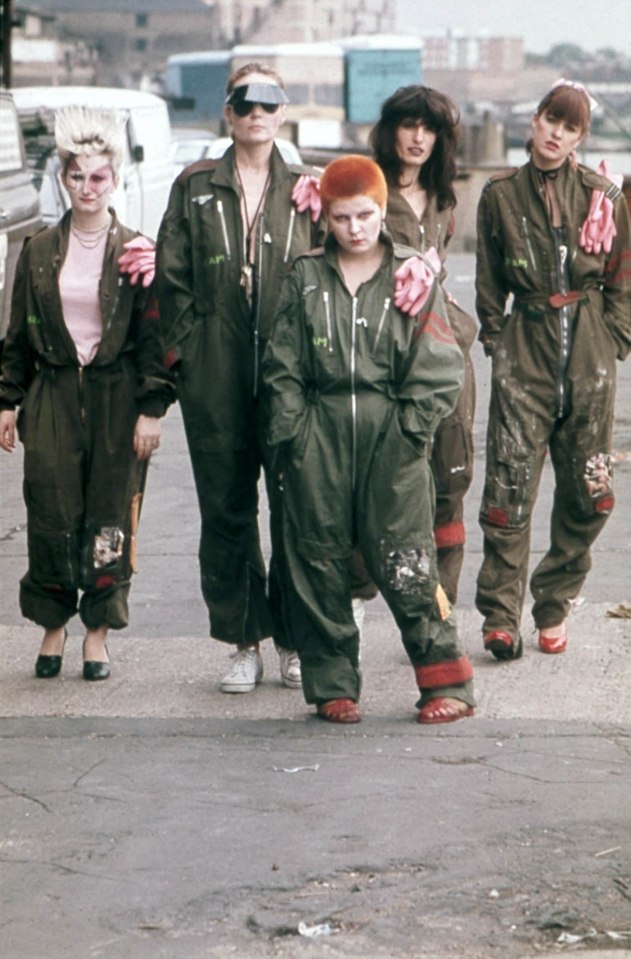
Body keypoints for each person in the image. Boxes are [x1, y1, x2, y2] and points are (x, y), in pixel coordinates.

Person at [263, 155, 475, 724]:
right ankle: (333, 684)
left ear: (382, 211)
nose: (355, 229)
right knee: (318, 559)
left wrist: (409, 434)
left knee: (409, 559)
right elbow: (281, 366)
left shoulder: (410, 275)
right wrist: (297, 437)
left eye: (365, 215)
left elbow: (441, 365)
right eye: (341, 218)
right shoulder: (305, 277)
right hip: (320, 436)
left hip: (393, 436)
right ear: (325, 219)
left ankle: (444, 682)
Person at [155, 63, 324, 693]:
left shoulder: (308, 188)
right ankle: (242, 642)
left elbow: (332, 273)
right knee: (226, 514)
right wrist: (191, 359)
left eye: (269, 101)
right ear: (228, 111)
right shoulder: (195, 184)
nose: (256, 112)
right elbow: (170, 283)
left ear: (283, 112)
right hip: (216, 377)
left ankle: (292, 640)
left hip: (288, 379)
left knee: (295, 512)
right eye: (244, 101)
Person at [0, 105, 175, 680]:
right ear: (62, 178)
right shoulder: (38, 250)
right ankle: (53, 625)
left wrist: (151, 409)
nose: (87, 187)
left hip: (116, 394)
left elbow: (156, 339)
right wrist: (7, 398)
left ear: (115, 179)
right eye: (76, 176)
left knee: (108, 513)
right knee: (49, 507)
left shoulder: (135, 251)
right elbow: (17, 331)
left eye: (98, 177)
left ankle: (97, 633)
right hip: (51, 393)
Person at [475, 79, 631, 660]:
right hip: (526, 351)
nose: (555, 134)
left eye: (569, 127)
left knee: (590, 493)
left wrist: (614, 337)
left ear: (580, 137)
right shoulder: (499, 194)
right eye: (549, 120)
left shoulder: (603, 197)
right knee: (507, 491)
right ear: (533, 122)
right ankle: (498, 615)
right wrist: (496, 337)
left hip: (589, 354)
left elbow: (623, 275)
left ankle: (554, 601)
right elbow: (489, 276)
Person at [369, 85, 477, 607]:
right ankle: (357, 598)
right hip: (380, 349)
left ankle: (442, 601)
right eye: (408, 125)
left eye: (429, 128)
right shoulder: (366, 188)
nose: (417, 137)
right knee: (375, 476)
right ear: (390, 130)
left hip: (443, 349)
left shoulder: (443, 196)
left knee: (451, 473)